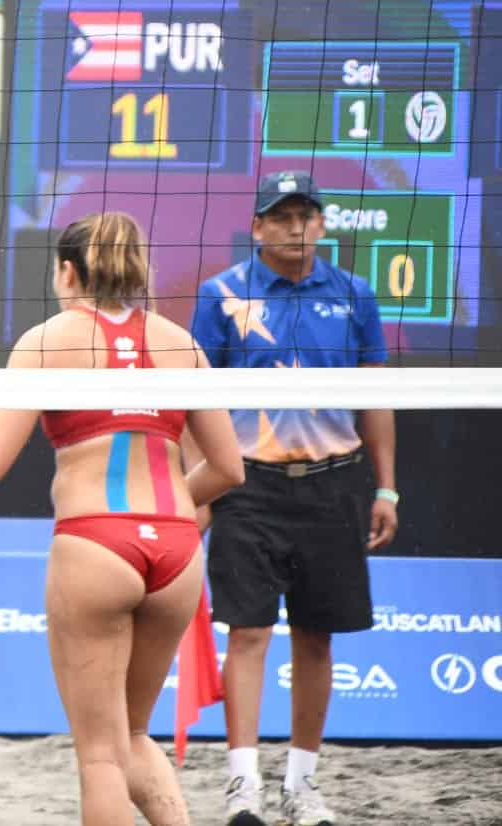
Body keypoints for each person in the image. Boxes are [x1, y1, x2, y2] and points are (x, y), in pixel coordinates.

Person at [0, 211, 246, 826]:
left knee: (99, 756)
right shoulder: (184, 345)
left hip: (96, 542)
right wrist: (169, 507)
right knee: (130, 734)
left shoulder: (48, 341)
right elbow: (230, 470)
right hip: (178, 549)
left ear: (67, 271)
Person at [191, 171, 398, 826]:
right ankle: (243, 785)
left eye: (305, 213)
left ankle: (302, 786)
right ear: (257, 227)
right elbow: (200, 398)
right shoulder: (221, 293)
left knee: (316, 638)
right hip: (247, 484)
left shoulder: (354, 294)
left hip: (333, 482)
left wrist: (386, 485)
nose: (294, 225)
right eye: (279, 216)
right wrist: (196, 487)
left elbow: (376, 396)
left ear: (323, 224)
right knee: (247, 633)